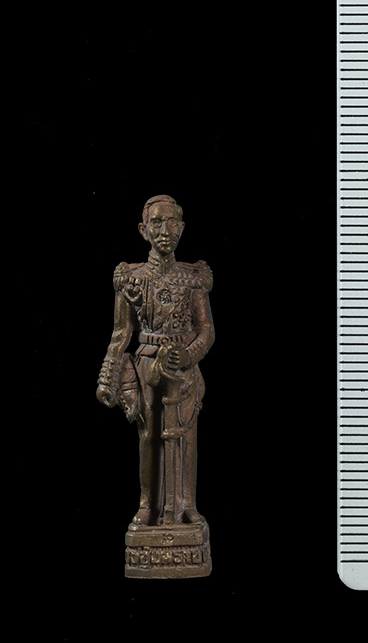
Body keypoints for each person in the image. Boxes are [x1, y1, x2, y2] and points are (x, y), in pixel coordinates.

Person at [96, 194, 215, 527]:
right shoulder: (131, 278)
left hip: (182, 368)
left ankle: (187, 504)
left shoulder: (193, 278)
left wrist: (189, 354)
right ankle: (147, 504)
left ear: (182, 228)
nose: (165, 231)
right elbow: (121, 333)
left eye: (172, 222)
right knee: (148, 436)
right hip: (147, 365)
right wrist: (108, 376)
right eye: (157, 223)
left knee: (186, 434)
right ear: (143, 229)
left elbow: (207, 331)